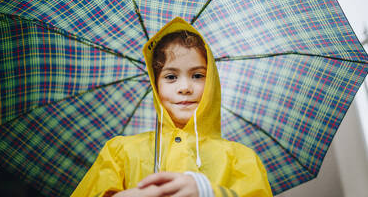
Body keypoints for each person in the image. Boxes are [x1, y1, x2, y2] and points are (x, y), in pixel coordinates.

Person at [71, 17, 273, 197]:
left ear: (212, 82)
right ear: (156, 85)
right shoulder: (120, 152)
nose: (185, 88)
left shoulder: (241, 159)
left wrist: (206, 192)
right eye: (171, 77)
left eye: (197, 75)